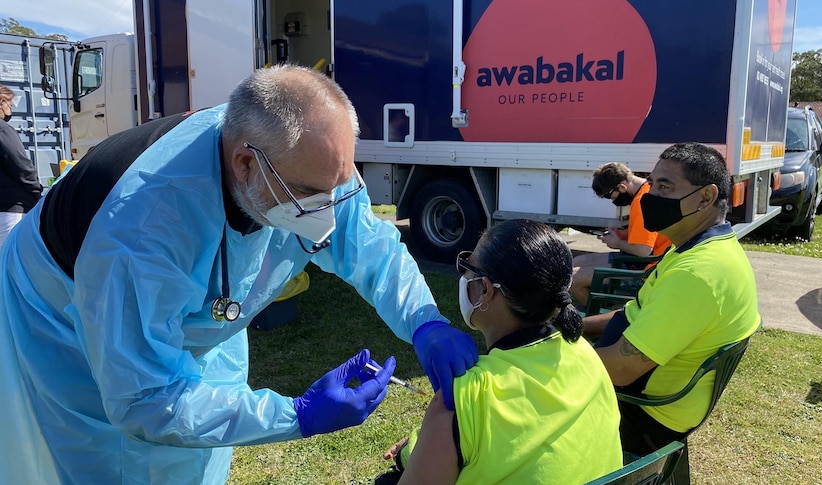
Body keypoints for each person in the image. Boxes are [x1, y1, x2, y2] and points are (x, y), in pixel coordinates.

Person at [0, 65, 478, 484]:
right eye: (311, 196)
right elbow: (143, 399)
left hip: (177, 299)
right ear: (245, 163)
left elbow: (369, 248)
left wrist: (425, 321)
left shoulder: (308, 161)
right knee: (117, 462)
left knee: (201, 453)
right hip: (63, 317)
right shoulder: (142, 230)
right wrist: (296, 415)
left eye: (340, 188)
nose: (329, 218)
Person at [377, 220, 623, 485]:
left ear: (485, 290)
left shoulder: (462, 399)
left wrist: (421, 443)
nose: (463, 278)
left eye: (467, 266)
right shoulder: (585, 353)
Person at [583, 143, 761, 456]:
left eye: (665, 187)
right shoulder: (696, 249)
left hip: (640, 416)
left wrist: (552, 356)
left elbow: (621, 369)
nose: (651, 196)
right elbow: (636, 311)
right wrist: (576, 327)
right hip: (647, 400)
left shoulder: (696, 275)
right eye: (651, 184)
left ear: (705, 197)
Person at [569, 162, 671, 306]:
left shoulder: (642, 201)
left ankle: (600, 320)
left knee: (572, 279)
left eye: (612, 197)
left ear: (622, 187)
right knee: (575, 262)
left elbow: (643, 250)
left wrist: (617, 243)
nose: (613, 201)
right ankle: (602, 306)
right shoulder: (646, 191)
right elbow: (650, 232)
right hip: (641, 261)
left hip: (646, 268)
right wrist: (624, 234)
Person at [0, 84, 42, 250]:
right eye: (10, 105)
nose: (11, 109)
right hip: (12, 208)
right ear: (2, 101)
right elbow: (20, 164)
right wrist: (37, 191)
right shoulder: (3, 129)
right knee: (9, 259)